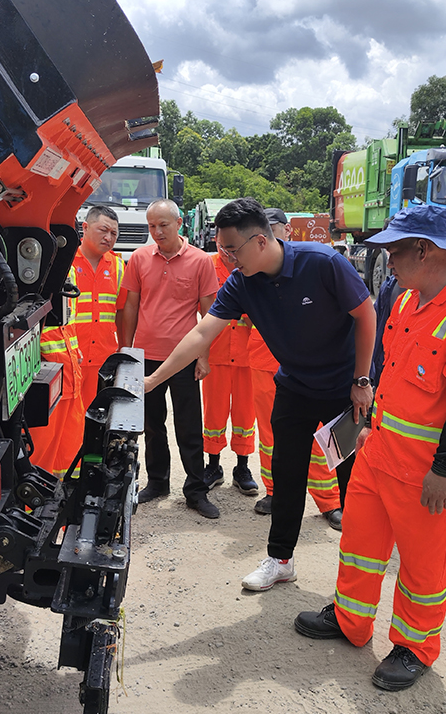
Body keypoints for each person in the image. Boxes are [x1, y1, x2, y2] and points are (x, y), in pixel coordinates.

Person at [294, 204, 446, 692]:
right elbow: (395, 374)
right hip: (379, 453)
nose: (387, 260)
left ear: (424, 251)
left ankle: (415, 647)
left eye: (394, 250)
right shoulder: (409, 301)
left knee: (423, 567)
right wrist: (369, 428)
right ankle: (350, 620)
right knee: (360, 546)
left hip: (426, 473)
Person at [142, 198, 375, 590]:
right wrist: (153, 381)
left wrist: (362, 381)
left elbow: (365, 314)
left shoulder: (322, 263)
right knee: (286, 475)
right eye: (223, 249)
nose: (229, 258)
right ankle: (280, 559)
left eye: (234, 249)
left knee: (353, 478)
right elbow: (203, 332)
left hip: (342, 393)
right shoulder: (242, 283)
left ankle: (361, 570)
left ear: (262, 241)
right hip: (295, 389)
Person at [120, 199, 221, 518]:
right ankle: (158, 481)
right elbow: (131, 307)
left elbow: (209, 315)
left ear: (179, 223)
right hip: (146, 357)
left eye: (163, 224)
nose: (156, 231)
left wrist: (203, 357)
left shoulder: (200, 261)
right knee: (152, 424)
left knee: (189, 425)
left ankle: (195, 489)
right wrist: (128, 352)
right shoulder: (138, 258)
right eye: (151, 226)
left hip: (184, 358)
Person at [249, 208, 342, 530]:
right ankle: (275, 492)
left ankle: (329, 500)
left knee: (322, 437)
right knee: (271, 435)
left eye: (275, 229)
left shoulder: (311, 265)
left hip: (310, 371)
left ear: (286, 230)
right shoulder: (252, 274)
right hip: (263, 362)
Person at [201, 247, 258, 496]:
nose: (228, 253)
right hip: (217, 352)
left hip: (247, 355)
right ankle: (213, 466)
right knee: (214, 413)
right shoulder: (207, 266)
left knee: (246, 415)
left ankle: (242, 468)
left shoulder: (253, 264)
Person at [28, 262, 85, 479]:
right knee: (40, 451)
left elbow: (68, 323)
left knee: (69, 449)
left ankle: (61, 497)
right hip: (43, 378)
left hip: (68, 373)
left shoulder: (67, 264)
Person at [73, 206, 126, 406]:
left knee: (96, 421)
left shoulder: (118, 267)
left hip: (103, 360)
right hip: (72, 358)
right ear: (85, 228)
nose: (108, 237)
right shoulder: (65, 263)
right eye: (103, 230)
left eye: (114, 233)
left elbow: (121, 313)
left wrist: (123, 348)